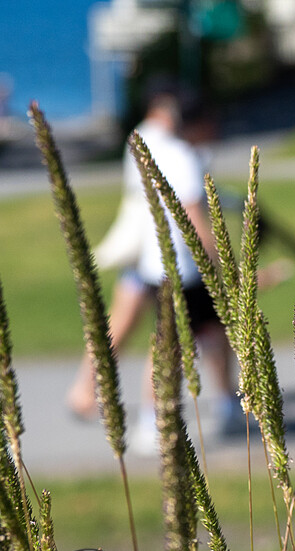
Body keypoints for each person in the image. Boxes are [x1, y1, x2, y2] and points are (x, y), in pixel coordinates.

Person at [66, 81, 239, 449]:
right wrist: (222, 266)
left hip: (148, 255)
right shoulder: (178, 152)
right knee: (170, 342)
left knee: (136, 326)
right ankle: (154, 418)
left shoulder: (140, 138)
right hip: (179, 263)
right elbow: (194, 213)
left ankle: (91, 392)